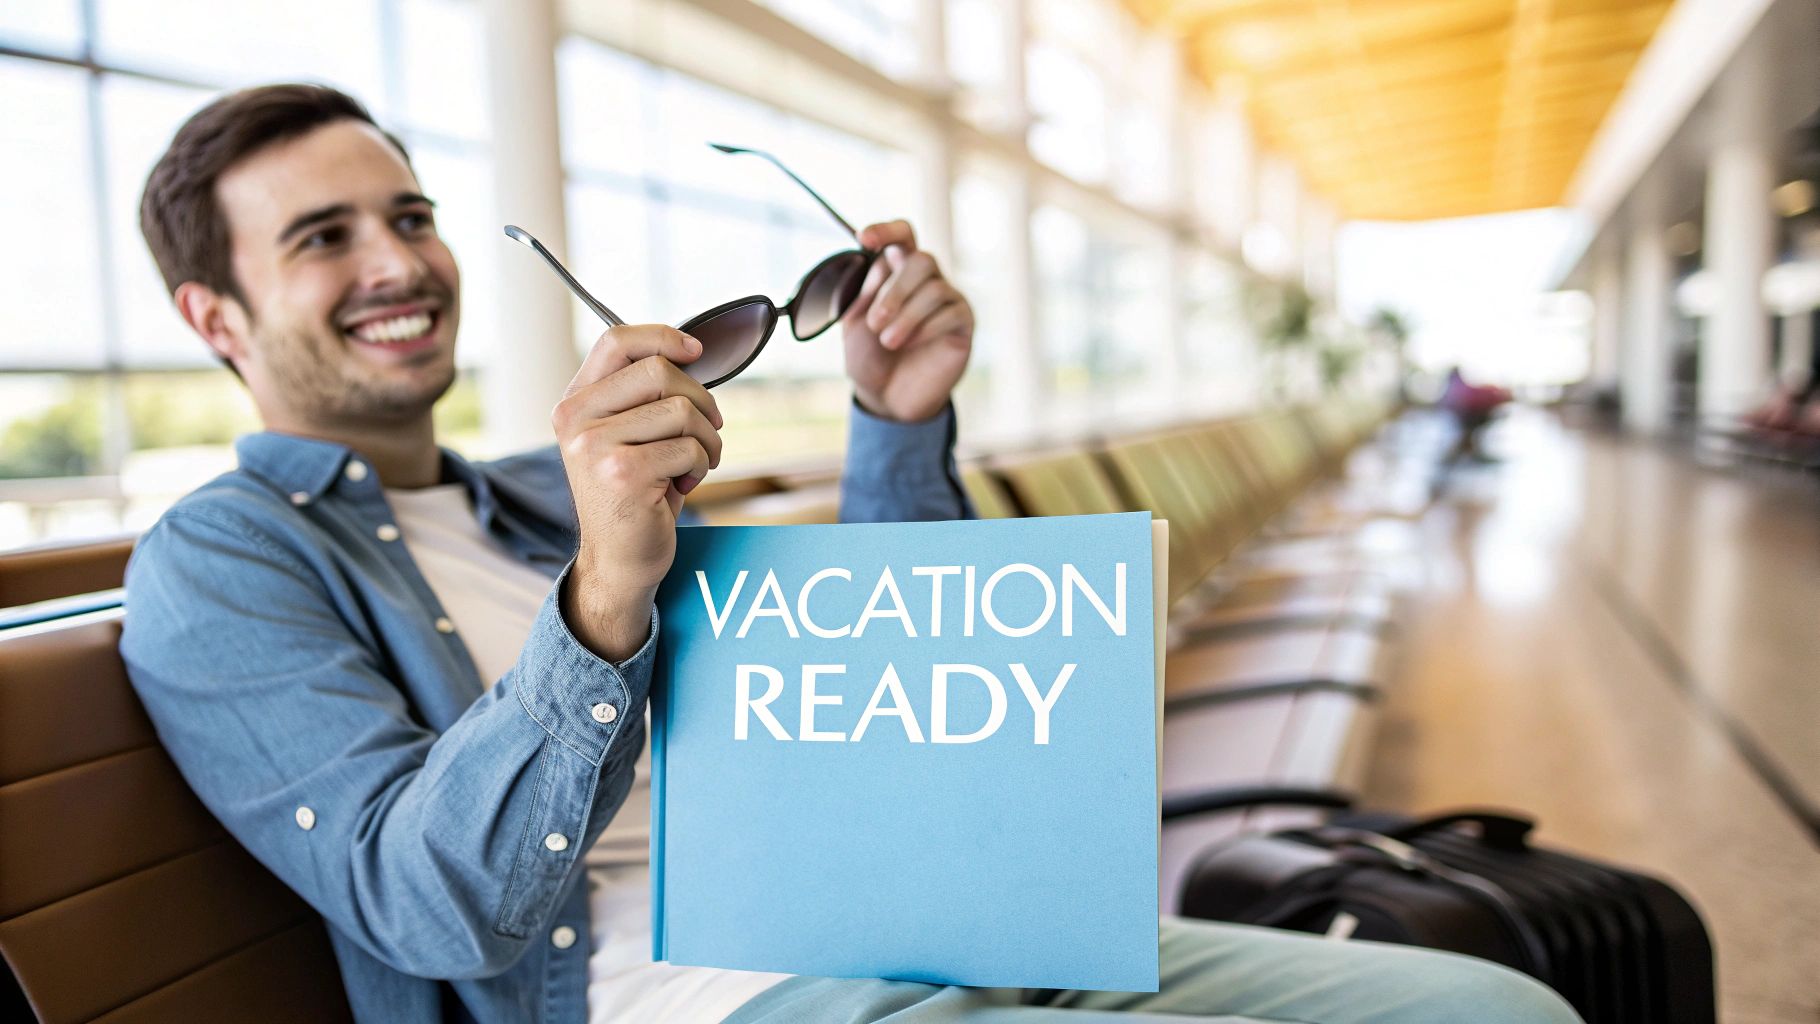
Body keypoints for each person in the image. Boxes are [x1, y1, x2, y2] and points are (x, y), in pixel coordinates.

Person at [121, 84, 1581, 1024]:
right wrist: (606, 595)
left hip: (909, 920)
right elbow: (429, 904)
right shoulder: (222, 563)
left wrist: (895, 418)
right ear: (214, 318)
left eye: (412, 215)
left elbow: (887, 684)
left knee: (1503, 1015)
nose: (398, 261)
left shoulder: (528, 492)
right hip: (695, 997)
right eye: (324, 236)